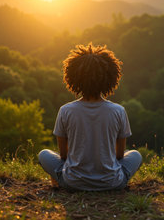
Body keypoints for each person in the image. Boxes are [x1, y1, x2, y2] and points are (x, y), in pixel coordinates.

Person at [38, 43, 142, 191]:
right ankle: (113, 180)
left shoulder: (65, 110)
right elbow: (119, 156)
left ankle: (57, 182)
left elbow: (63, 156)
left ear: (73, 78)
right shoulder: (118, 111)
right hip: (112, 183)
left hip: (73, 183)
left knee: (44, 154)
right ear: (110, 78)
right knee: (135, 155)